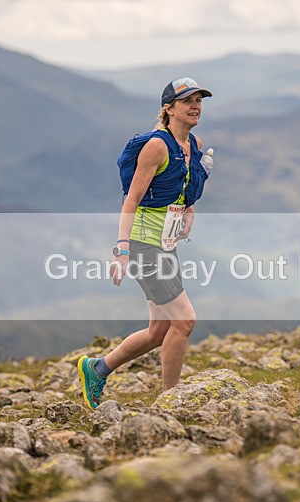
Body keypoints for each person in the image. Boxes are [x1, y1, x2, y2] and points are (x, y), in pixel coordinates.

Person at [78, 77, 213, 409]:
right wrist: (122, 250)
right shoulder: (157, 146)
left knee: (159, 330)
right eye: (187, 101)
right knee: (185, 321)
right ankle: (170, 400)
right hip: (142, 243)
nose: (195, 106)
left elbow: (182, 186)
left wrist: (189, 210)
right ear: (168, 109)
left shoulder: (193, 144)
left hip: (165, 244)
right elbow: (131, 199)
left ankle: (98, 368)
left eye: (199, 100)